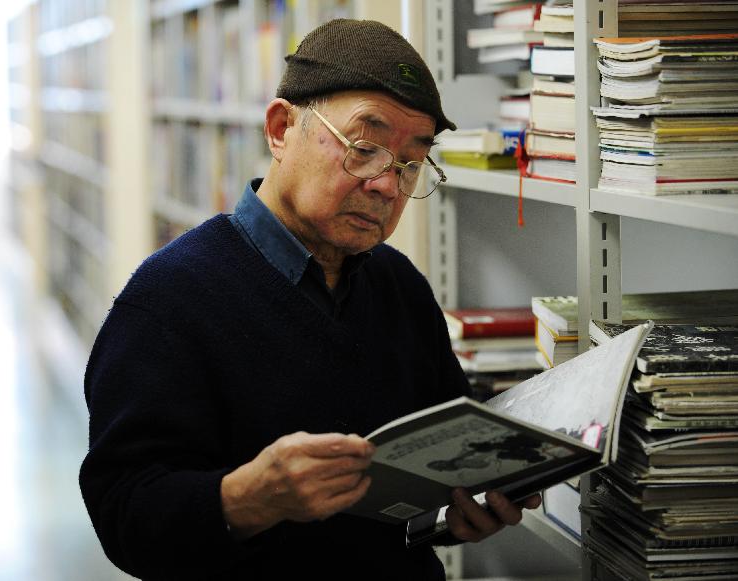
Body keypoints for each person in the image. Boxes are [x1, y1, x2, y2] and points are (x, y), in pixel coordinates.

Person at [80, 19, 541, 581]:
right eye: (365, 148)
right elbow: (122, 511)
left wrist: (463, 508)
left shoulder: (399, 286)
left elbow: (436, 469)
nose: (387, 186)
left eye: (410, 163)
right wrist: (246, 498)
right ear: (280, 129)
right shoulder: (168, 298)